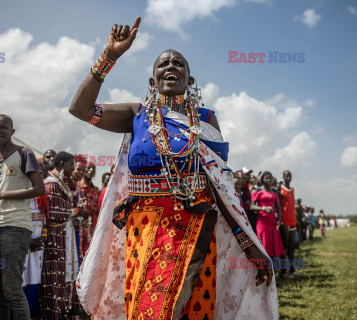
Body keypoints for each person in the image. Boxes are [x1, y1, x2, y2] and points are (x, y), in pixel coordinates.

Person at [69, 17, 278, 320]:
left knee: (193, 309)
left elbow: (219, 187)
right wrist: (109, 57)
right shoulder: (136, 114)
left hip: (198, 227)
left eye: (178, 63)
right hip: (145, 228)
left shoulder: (205, 120)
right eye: (162, 64)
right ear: (152, 81)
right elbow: (81, 110)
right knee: (147, 309)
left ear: (189, 80)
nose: (170, 67)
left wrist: (248, 244)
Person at [0, 114, 44, 320]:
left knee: (12, 290)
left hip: (15, 226)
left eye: (4, 127)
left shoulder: (24, 153)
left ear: (12, 132)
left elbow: (39, 188)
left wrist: (1, 195)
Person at [41, 151, 81, 320]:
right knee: (55, 276)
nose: (73, 168)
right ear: (62, 164)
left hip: (63, 236)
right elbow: (54, 213)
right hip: (55, 239)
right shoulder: (51, 184)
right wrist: (77, 211)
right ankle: (53, 314)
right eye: (71, 164)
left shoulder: (60, 183)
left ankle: (63, 313)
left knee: (63, 276)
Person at [250, 172, 286, 263]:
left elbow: (278, 206)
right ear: (262, 180)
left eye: (270, 178)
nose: (269, 180)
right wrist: (263, 208)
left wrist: (279, 219)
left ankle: (273, 269)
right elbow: (252, 206)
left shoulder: (274, 191)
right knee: (264, 245)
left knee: (273, 245)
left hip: (272, 221)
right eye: (266, 178)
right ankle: (264, 268)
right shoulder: (258, 190)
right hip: (262, 222)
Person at [279, 170, 300, 277]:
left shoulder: (292, 189)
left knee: (292, 247)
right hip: (284, 221)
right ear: (283, 177)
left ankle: (292, 269)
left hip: (292, 220)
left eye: (290, 176)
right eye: (286, 176)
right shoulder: (280, 189)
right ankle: (283, 272)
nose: (288, 178)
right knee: (284, 247)